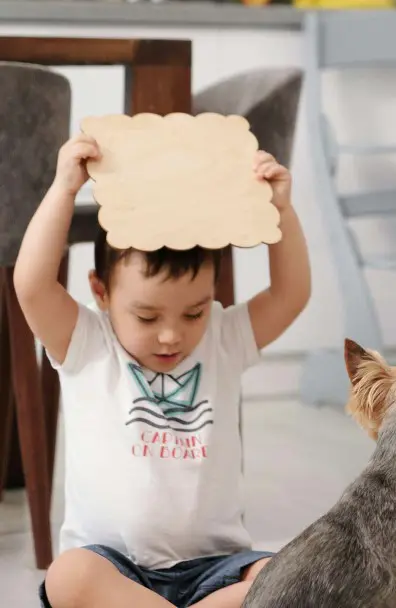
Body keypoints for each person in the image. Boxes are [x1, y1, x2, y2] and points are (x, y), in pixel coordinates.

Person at [14, 132, 313, 608]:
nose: (172, 336)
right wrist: (64, 190)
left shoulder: (223, 337)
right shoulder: (87, 343)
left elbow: (289, 295)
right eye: (147, 317)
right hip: (113, 566)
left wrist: (283, 210)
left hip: (217, 566)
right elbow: (31, 286)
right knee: (68, 575)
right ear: (101, 291)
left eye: (193, 313)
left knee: (295, 575)